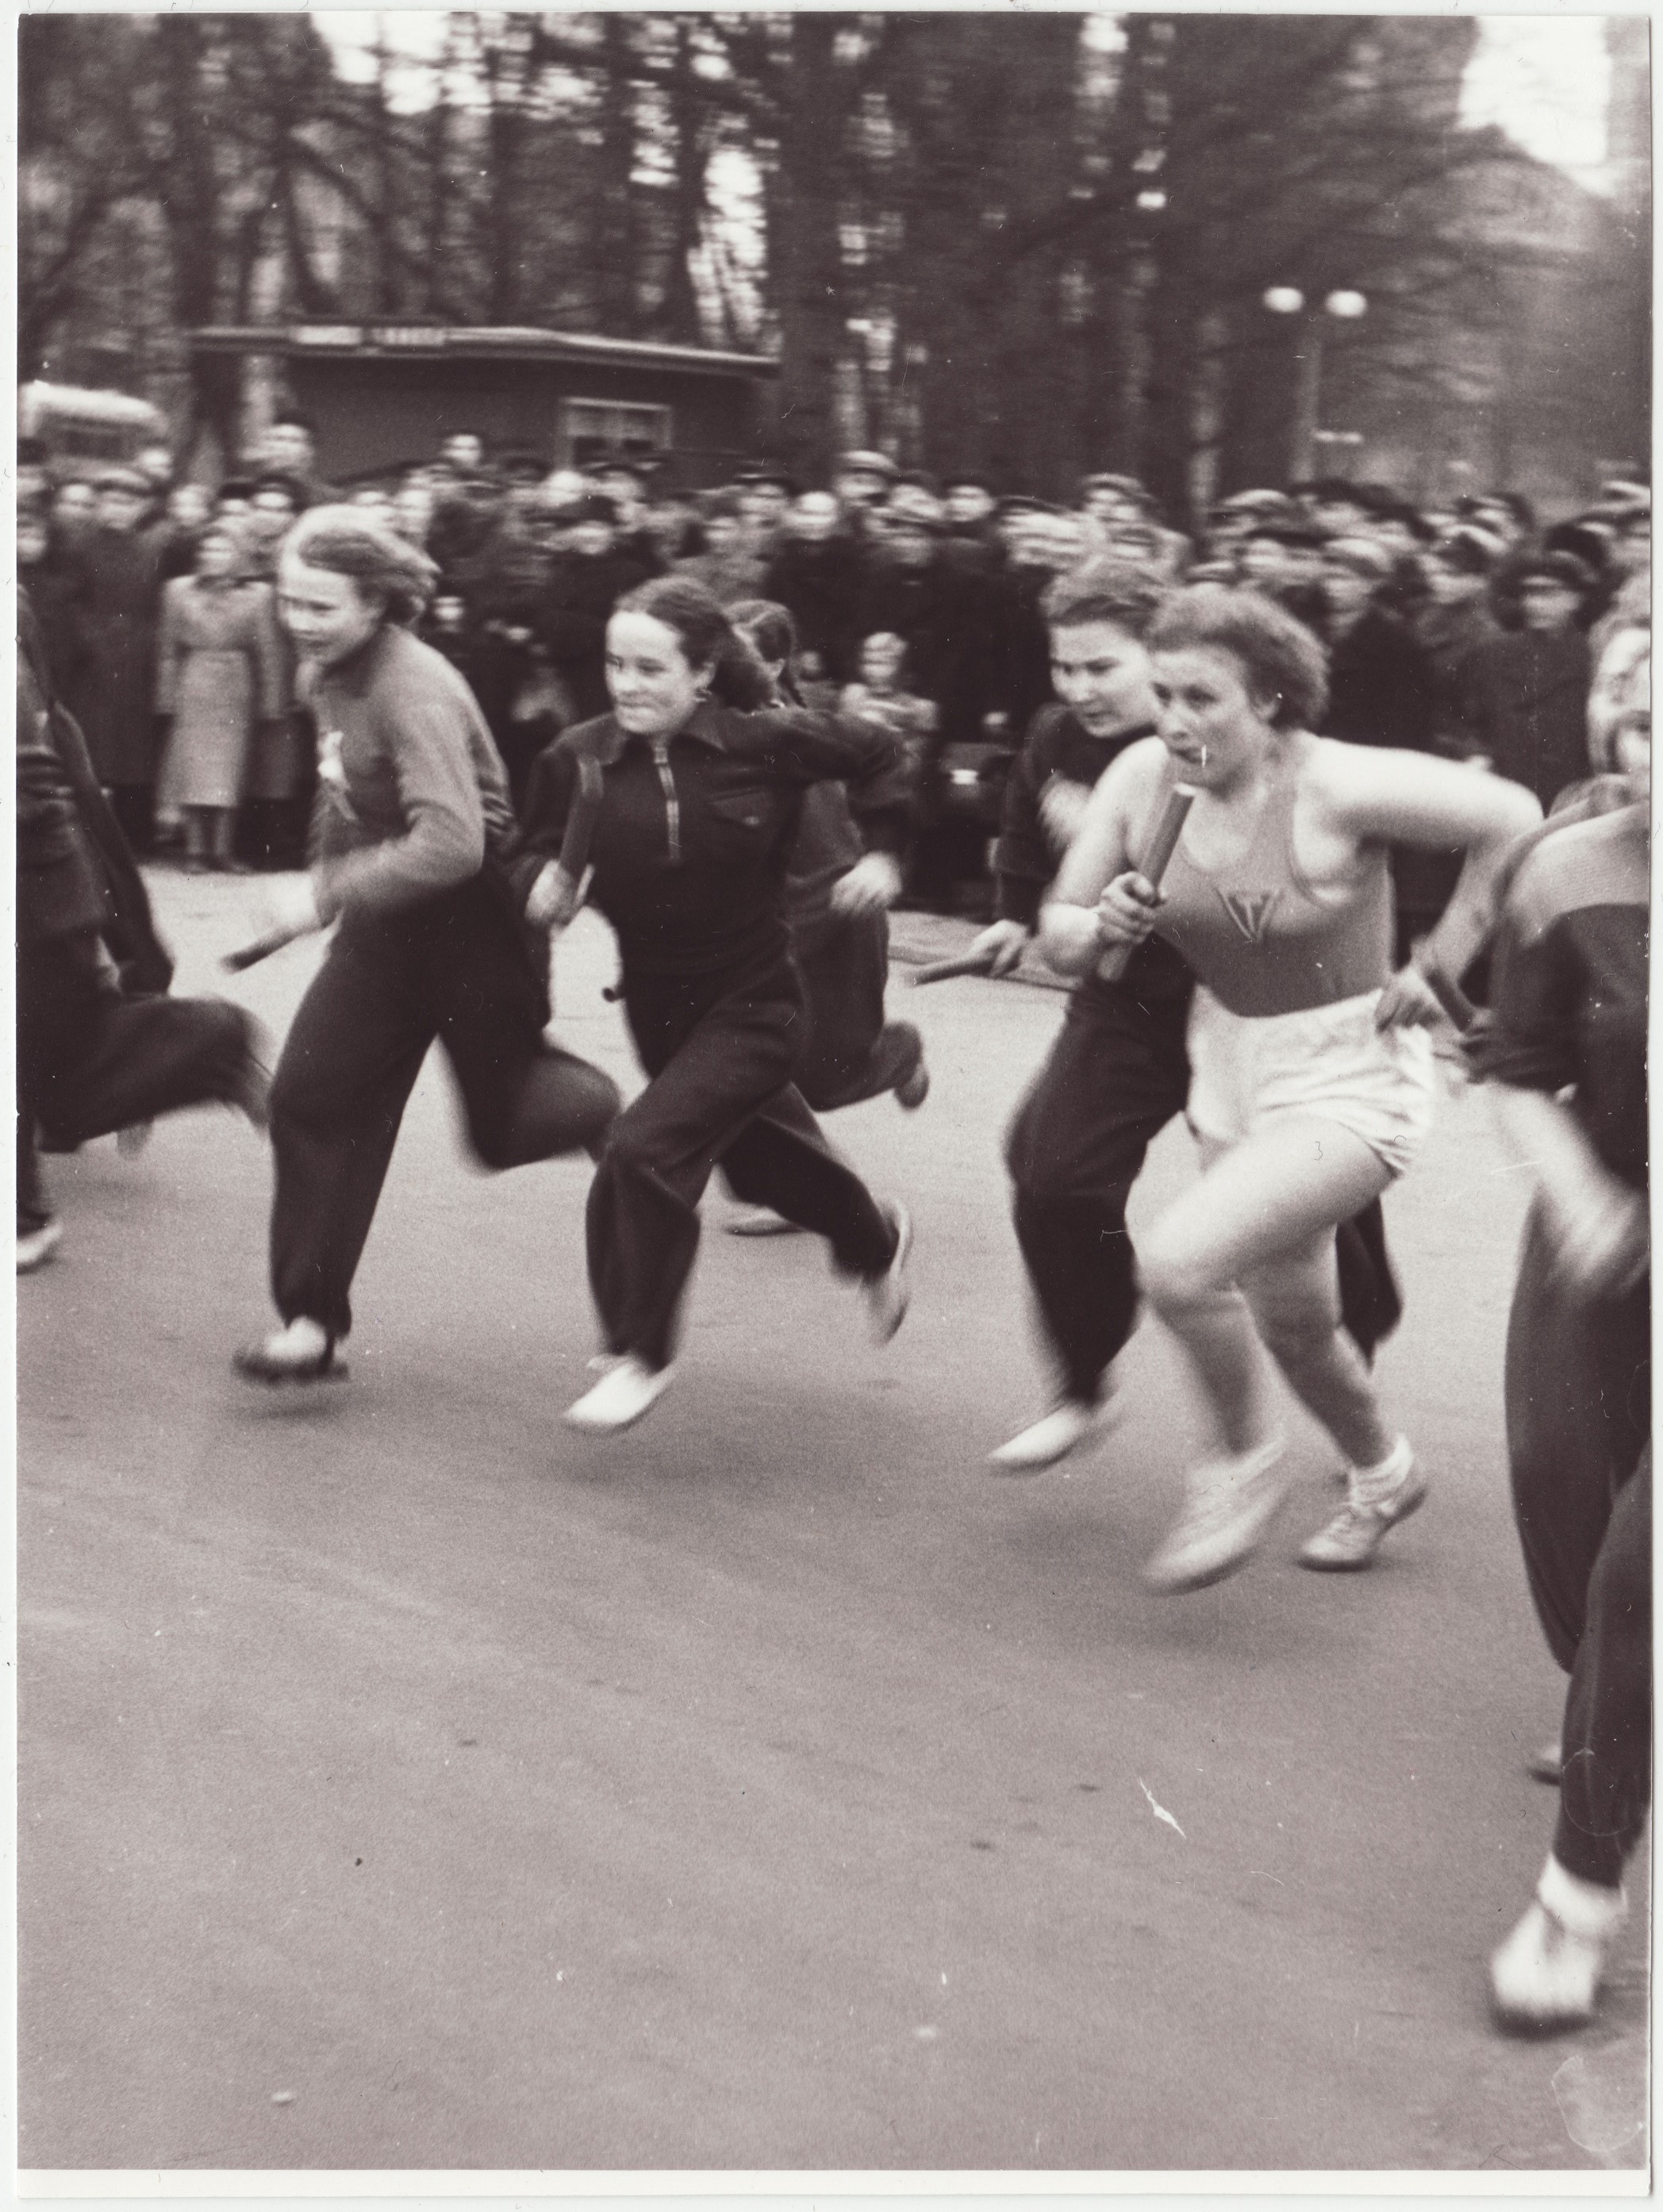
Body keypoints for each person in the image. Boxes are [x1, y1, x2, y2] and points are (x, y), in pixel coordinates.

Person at [1043, 586, 1540, 1591]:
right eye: (1167, 692)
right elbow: (1060, 934)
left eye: (1204, 698)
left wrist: (1441, 963)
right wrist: (1102, 924)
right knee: (1297, 1325)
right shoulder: (1142, 779)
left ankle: (1237, 1463)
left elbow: (1514, 817)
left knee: (1179, 1265)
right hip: (1230, 1063)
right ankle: (1383, 1472)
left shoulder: (1334, 785)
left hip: (1351, 1075)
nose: (1176, 719)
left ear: (1267, 699)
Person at [968, 564, 1400, 1472]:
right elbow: (1031, 846)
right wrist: (1021, 915)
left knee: (1313, 1218)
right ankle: (1082, 1382)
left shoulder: (1257, 740)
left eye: (1102, 669)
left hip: (1257, 1013)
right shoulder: (1059, 742)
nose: (1079, 690)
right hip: (1128, 1005)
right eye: (1064, 668)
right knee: (1050, 1173)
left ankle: (1349, 1367)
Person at [511, 574, 916, 1434]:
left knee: (643, 1147)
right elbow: (536, 849)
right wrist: (539, 884)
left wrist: (882, 857)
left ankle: (640, 1350)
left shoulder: (762, 742)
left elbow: (880, 756)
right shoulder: (577, 758)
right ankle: (874, 1238)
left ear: (702, 673)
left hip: (755, 1000)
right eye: (616, 665)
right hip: (656, 1008)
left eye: (651, 668)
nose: (627, 685)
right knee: (767, 1164)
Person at [232, 508, 620, 1384]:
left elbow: (453, 843)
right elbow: (343, 795)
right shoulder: (323, 671)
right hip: (386, 925)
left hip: (473, 924)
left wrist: (325, 890)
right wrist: (318, 894)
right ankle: (311, 1322)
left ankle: (599, 1108)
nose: (300, 621)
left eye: (321, 606)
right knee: (311, 1097)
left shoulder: (415, 688)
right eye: (289, 601)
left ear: (376, 603)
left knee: (506, 1126)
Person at [1470, 682, 1650, 2033]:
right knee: (1554, 1472)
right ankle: (1609, 1690)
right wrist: (1582, 1195)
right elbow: (1517, 1062)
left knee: (1643, 1569)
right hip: (1604, 1210)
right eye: (1639, 711)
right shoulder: (1570, 867)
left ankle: (1580, 1888)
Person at [18, 596, 268, 1272]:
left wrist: (142, 964)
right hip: (48, 902)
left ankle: (24, 1222)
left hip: (37, 902)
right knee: (52, 1084)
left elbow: (86, 834)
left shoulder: (26, 695)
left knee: (39, 1075)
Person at [730, 598, 928, 1144]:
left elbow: (833, 858)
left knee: (822, 1080)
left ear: (773, 667)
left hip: (835, 920)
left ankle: (900, 1052)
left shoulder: (794, 738)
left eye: (738, 656)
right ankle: (788, 1184)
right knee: (750, 1062)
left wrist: (880, 864)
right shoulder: (712, 730)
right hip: (774, 927)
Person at [154, 520, 288, 874]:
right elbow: (168, 648)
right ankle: (195, 851)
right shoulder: (178, 591)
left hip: (235, 686)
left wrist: (271, 702)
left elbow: (269, 652)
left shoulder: (258, 596)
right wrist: (166, 697)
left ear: (239, 555)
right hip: (195, 681)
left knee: (230, 773)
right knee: (193, 768)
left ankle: (222, 851)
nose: (214, 556)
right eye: (208, 549)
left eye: (223, 549)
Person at [71, 468, 166, 855]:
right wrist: (91, 638)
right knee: (95, 746)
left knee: (135, 751)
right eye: (111, 501)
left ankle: (133, 836)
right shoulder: (81, 547)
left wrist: (148, 643)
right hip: (94, 661)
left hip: (139, 658)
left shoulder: (149, 550)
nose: (118, 510)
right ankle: (89, 834)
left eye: (127, 503)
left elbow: (158, 604)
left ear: (140, 508)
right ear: (99, 506)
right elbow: (73, 601)